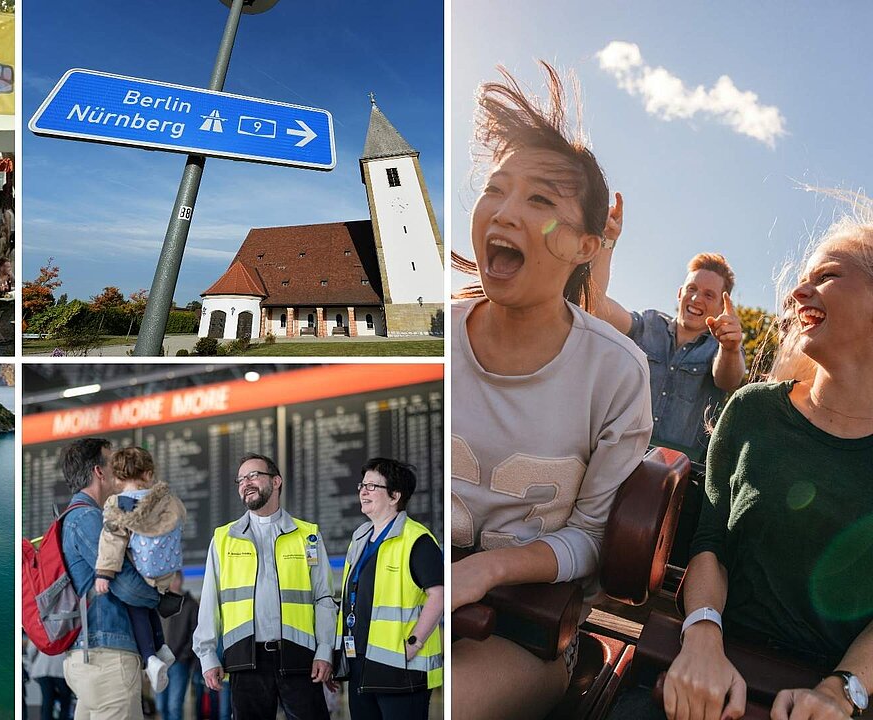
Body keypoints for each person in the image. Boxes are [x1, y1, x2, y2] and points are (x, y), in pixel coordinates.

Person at [450, 62, 652, 719]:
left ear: (587, 245)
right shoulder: (434, 336)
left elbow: (590, 539)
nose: (506, 211)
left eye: (540, 200)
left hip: (523, 628)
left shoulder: (617, 372)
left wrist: (487, 569)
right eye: (495, 189)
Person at [626, 204, 873, 720]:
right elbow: (710, 542)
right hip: (714, 665)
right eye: (802, 279)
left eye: (826, 276)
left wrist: (842, 691)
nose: (798, 292)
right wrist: (702, 637)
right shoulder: (753, 410)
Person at [589, 204, 746, 459]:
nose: (696, 298)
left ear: (720, 306)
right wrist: (607, 241)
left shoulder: (720, 348)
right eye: (692, 289)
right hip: (618, 454)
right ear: (680, 293)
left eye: (709, 295)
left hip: (678, 470)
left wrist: (730, 349)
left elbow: (729, 380)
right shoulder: (649, 324)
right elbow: (596, 306)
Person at [192, 453, 337, 720]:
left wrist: (325, 650)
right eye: (240, 479)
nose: (245, 483)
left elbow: (324, 598)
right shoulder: (223, 539)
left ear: (276, 481)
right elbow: (211, 601)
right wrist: (207, 655)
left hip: (300, 658)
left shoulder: (308, 535)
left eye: (253, 475)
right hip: (245, 660)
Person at [59, 437, 162, 720]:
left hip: (88, 656)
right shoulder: (89, 519)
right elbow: (127, 587)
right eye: (113, 463)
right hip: (107, 659)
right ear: (99, 472)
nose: (120, 470)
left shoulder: (72, 517)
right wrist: (159, 594)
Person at [336, 458, 444, 720]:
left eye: (372, 486)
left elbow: (439, 594)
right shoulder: (360, 538)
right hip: (360, 664)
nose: (363, 491)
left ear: (395, 496)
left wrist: (414, 643)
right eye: (362, 485)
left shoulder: (417, 539)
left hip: (401, 669)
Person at [93, 447, 184, 694]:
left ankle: (150, 658)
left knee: (135, 605)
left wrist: (104, 573)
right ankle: (162, 647)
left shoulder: (119, 503)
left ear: (117, 478)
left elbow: (112, 540)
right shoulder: (168, 502)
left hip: (140, 569)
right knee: (148, 603)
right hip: (164, 573)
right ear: (148, 474)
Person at [158, 575, 199, 720]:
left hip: (179, 662)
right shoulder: (159, 602)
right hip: (160, 662)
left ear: (181, 580)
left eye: (177, 579)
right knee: (161, 706)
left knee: (174, 706)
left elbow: (195, 633)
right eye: (172, 579)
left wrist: (184, 656)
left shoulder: (190, 605)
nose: (174, 582)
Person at [26, 638, 74, 720]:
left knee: (47, 700)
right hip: (62, 668)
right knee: (65, 700)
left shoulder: (41, 630)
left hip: (43, 668)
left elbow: (31, 650)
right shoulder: (68, 629)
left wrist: (32, 663)